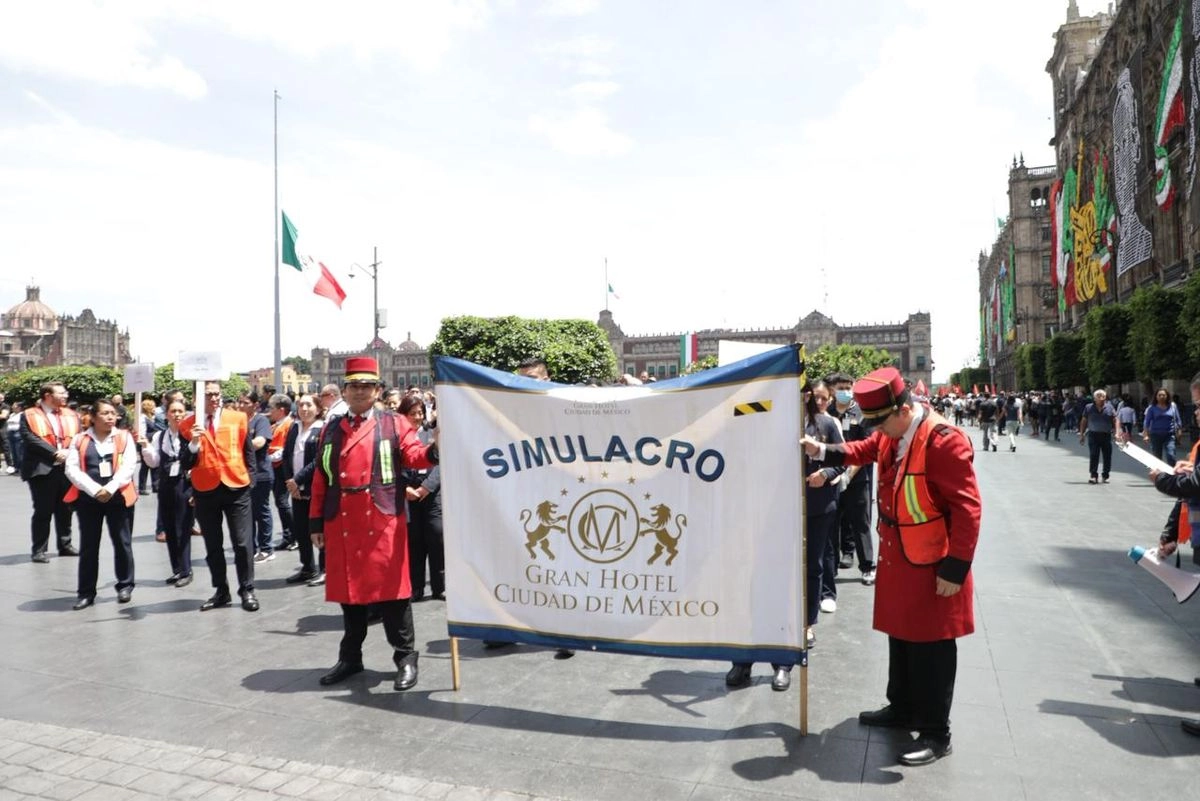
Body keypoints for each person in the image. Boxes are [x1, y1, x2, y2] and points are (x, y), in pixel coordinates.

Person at [801, 366, 981, 766]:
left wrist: (955, 569)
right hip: (899, 554)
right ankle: (901, 707)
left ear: (904, 409)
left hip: (934, 560)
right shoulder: (892, 432)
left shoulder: (943, 440)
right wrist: (823, 450)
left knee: (932, 645)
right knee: (900, 635)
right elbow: (866, 448)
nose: (879, 431)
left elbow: (968, 509)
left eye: (882, 422)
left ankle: (936, 732)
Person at [310, 356, 438, 691]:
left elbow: (414, 455)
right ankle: (350, 657)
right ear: (345, 390)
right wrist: (316, 522)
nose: (360, 391)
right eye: (354, 386)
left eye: (367, 386)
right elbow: (322, 477)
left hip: (381, 520)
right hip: (342, 520)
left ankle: (406, 657)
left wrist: (436, 449)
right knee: (349, 593)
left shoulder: (393, 423)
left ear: (377, 390)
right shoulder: (331, 428)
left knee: (393, 593)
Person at [728, 380, 844, 692]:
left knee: (803, 575)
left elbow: (841, 460)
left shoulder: (824, 424)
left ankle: (786, 656)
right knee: (757, 581)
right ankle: (743, 659)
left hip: (813, 509)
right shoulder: (757, 416)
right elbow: (733, 422)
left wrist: (825, 474)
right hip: (766, 511)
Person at [180, 381, 259, 612]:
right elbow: (186, 462)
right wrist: (193, 443)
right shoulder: (187, 425)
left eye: (216, 394)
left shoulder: (237, 418)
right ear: (196, 399)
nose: (214, 398)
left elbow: (248, 451)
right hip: (205, 489)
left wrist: (251, 480)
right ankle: (221, 590)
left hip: (237, 487)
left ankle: (247, 589)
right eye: (208, 395)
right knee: (213, 544)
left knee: (242, 542)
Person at [63, 397, 138, 609]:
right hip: (89, 499)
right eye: (105, 413)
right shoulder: (80, 439)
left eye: (113, 413)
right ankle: (86, 592)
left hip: (118, 497)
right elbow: (71, 469)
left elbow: (129, 466)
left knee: (122, 542)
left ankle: (125, 585)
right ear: (93, 417)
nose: (110, 417)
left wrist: (110, 488)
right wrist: (96, 490)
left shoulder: (124, 437)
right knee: (89, 545)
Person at [20, 381, 81, 562]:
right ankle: (39, 549)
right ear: (48, 395)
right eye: (61, 393)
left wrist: (68, 452)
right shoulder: (29, 414)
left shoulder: (71, 414)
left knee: (66, 509)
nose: (65, 395)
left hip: (66, 469)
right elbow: (30, 439)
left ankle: (65, 544)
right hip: (42, 469)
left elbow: (79, 437)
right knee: (43, 510)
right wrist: (54, 453)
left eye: (65, 392)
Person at [827, 372, 876, 585]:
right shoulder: (826, 413)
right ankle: (831, 569)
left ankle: (868, 567)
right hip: (830, 479)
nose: (845, 391)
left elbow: (866, 448)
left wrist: (848, 475)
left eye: (848, 387)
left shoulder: (861, 414)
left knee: (860, 523)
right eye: (841, 388)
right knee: (831, 525)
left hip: (856, 478)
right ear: (832, 390)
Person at [141, 397, 195, 587]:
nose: (177, 415)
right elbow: (154, 461)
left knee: (183, 529)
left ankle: (186, 570)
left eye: (180, 411)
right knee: (170, 529)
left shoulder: (191, 435)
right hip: (165, 485)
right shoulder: (160, 436)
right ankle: (177, 569)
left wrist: (195, 491)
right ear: (167, 414)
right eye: (173, 411)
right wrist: (145, 447)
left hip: (185, 485)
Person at [400, 395, 443, 602]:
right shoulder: (397, 437)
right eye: (412, 413)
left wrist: (427, 487)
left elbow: (440, 462)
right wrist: (405, 488)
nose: (417, 417)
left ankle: (440, 586)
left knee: (437, 536)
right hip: (408, 493)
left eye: (420, 413)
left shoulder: (431, 433)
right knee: (414, 540)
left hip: (432, 493)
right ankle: (416, 587)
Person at [280, 393, 324, 585]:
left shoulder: (322, 429)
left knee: (319, 529)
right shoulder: (294, 427)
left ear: (318, 409)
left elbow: (318, 459)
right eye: (301, 405)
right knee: (301, 530)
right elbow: (287, 455)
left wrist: (297, 479)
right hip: (296, 489)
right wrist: (290, 481)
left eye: (309, 405)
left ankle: (325, 569)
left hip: (315, 487)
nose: (304, 409)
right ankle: (307, 567)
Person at [238, 392, 275, 563]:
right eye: (240, 402)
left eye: (245, 402)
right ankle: (251, 548)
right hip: (242, 474)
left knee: (261, 511)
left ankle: (266, 548)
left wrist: (237, 446)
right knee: (247, 514)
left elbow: (260, 441)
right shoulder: (238, 421)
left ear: (255, 405)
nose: (241, 405)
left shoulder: (260, 421)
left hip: (260, 473)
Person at [265, 393, 297, 552]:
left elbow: (284, 450)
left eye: (272, 408)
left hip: (283, 468)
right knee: (280, 502)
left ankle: (294, 536)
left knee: (283, 503)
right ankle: (288, 536)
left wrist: (266, 458)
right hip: (276, 468)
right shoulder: (277, 425)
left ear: (281, 410)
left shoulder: (289, 425)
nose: (269, 411)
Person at [1079, 389, 1116, 484]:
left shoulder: (1110, 407)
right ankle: (1093, 475)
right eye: (1098, 396)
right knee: (1094, 455)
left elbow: (1115, 420)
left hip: (1106, 435)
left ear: (1105, 397)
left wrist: (1117, 432)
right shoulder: (1088, 407)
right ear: (1094, 398)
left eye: (1103, 396)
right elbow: (1084, 421)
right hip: (1093, 435)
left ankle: (1105, 475)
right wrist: (1082, 434)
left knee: (1107, 456)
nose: (1101, 398)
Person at [1143, 388, 1181, 467]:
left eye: (1163, 395)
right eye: (1159, 395)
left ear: (1167, 396)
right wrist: (1146, 435)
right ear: (1156, 397)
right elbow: (1147, 422)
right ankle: (1158, 472)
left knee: (1171, 455)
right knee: (1157, 457)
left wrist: (1179, 431)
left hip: (1169, 435)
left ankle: (1171, 473)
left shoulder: (1172, 406)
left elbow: (1178, 420)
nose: (1161, 397)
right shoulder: (1152, 408)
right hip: (1155, 435)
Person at [5, 400, 24, 475]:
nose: (12, 407)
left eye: (14, 405)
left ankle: (21, 468)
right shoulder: (12, 415)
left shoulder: (22, 414)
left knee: (19, 452)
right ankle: (16, 468)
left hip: (18, 433)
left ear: (19, 407)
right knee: (13, 452)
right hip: (10, 434)